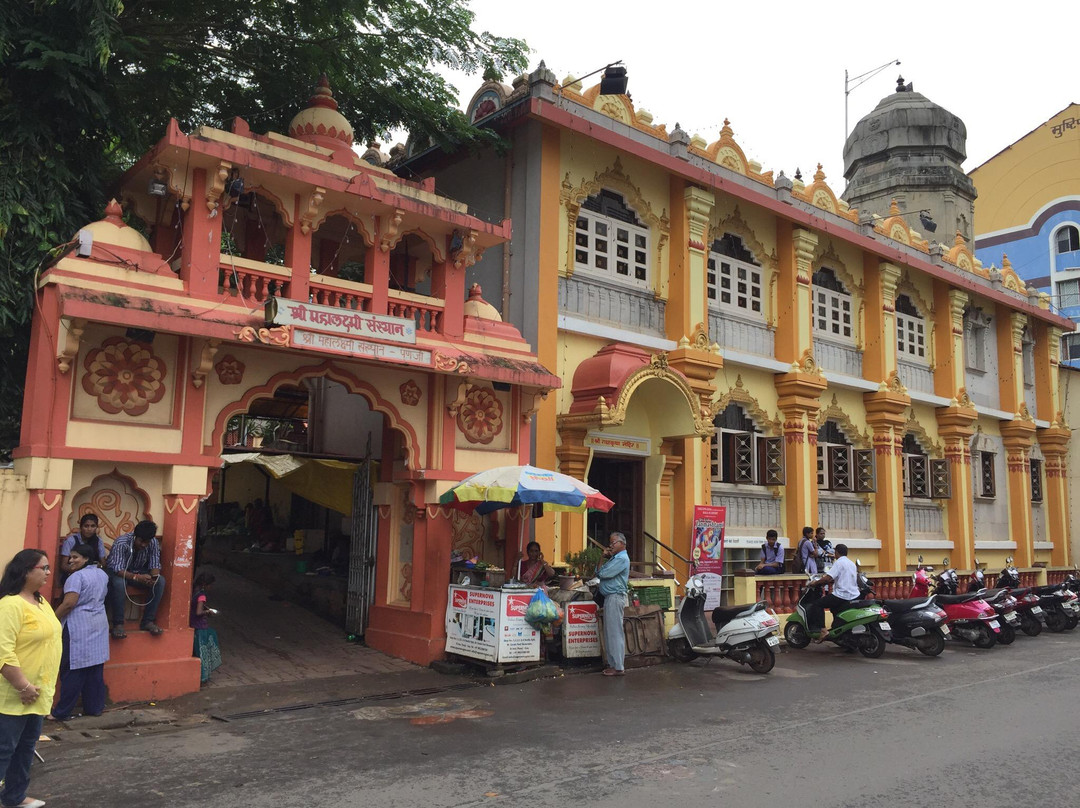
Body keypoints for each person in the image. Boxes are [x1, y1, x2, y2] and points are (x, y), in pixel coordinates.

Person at [0, 549, 63, 808]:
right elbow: (3, 651)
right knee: (3, 751)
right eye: (43, 568)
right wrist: (22, 685)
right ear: (26, 571)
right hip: (14, 695)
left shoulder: (41, 601)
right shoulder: (10, 605)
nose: (49, 572)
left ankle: (14, 797)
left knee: (25, 749)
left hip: (37, 694)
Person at [51, 544, 109, 722]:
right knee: (94, 669)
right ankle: (94, 708)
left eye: (75, 557)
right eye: (71, 557)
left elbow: (69, 604)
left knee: (73, 669)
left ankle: (62, 712)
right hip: (99, 623)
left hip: (78, 626)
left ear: (86, 558)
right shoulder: (102, 574)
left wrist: (51, 619)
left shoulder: (76, 577)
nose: (71, 560)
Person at [104, 520, 166, 638]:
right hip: (119, 574)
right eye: (141, 541)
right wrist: (136, 577)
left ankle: (148, 621)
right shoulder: (121, 543)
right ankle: (118, 624)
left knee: (160, 581)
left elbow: (155, 564)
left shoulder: (152, 542)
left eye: (146, 542)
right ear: (135, 536)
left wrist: (153, 577)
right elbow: (117, 569)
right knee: (119, 583)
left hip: (139, 572)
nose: (143, 545)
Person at [805, 543, 861, 642]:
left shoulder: (839, 562)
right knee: (834, 608)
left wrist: (815, 583)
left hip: (842, 595)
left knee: (817, 604)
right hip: (853, 595)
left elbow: (828, 578)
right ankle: (838, 630)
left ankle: (823, 630)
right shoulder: (851, 563)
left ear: (836, 552)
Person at [597, 532, 630, 677]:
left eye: (613, 542)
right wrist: (602, 557)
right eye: (610, 543)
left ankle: (618, 666)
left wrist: (602, 565)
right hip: (610, 598)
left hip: (615, 597)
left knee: (615, 632)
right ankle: (613, 664)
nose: (611, 545)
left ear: (622, 543)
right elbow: (598, 571)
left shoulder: (621, 559)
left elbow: (603, 574)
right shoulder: (614, 558)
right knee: (610, 632)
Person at [190, 572, 222, 685]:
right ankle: (203, 676)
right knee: (202, 652)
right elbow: (199, 612)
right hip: (200, 626)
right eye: (210, 585)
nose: (211, 587)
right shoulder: (202, 595)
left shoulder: (194, 591)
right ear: (205, 584)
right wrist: (208, 611)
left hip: (193, 624)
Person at [58, 514, 108, 583]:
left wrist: (97, 568)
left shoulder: (98, 540)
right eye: (86, 526)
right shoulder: (71, 540)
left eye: (93, 526)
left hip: (92, 575)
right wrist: (81, 571)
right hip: (73, 574)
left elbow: (103, 563)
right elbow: (63, 566)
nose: (89, 529)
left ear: (96, 528)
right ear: (81, 527)